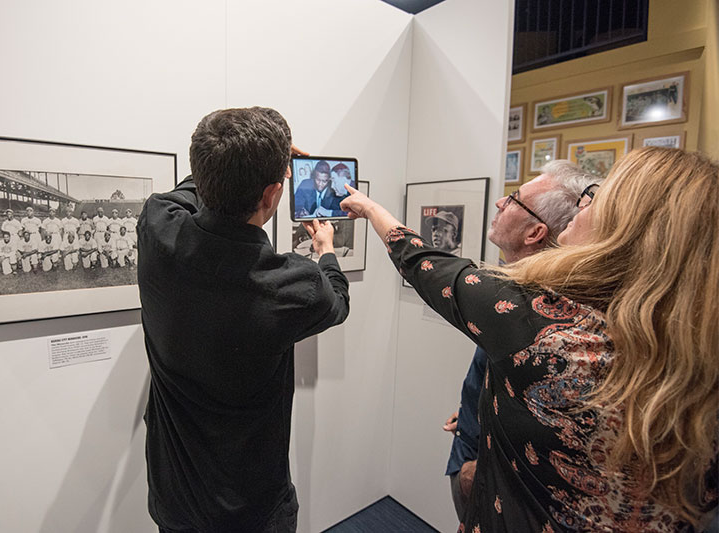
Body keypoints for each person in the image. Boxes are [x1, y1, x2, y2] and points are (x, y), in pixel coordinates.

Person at [340, 147, 718, 532]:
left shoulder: (544, 319)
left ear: (621, 227)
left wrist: (371, 209)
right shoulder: (695, 350)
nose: (582, 207)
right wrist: (490, 412)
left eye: (595, 199)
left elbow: (427, 265)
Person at [137, 107, 350, 533]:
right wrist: (325, 248)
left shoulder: (157, 225)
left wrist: (245, 157)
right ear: (272, 194)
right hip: (250, 508)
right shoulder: (293, 285)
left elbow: (192, 187)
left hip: (174, 492)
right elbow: (338, 300)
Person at [442, 160, 598, 520]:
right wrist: (481, 405)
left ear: (535, 233)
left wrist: (478, 470)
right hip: (474, 445)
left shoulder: (538, 309)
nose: (499, 202)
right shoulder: (517, 292)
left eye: (513, 199)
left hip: (490, 480)